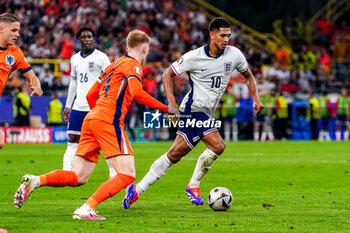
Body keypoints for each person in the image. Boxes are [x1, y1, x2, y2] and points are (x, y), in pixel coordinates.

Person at [14, 30, 178, 220]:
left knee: (78, 176)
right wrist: (167, 108)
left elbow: (91, 94)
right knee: (127, 174)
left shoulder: (113, 65)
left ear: (127, 47)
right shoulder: (133, 65)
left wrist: (97, 116)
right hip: (108, 120)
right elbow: (137, 93)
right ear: (144, 49)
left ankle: (36, 180)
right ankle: (86, 208)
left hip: (92, 118)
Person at [123, 17, 263, 209]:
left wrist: (256, 98)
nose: (226, 39)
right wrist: (171, 103)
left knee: (174, 155)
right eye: (222, 35)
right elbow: (167, 74)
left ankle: (136, 190)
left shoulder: (234, 55)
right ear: (211, 35)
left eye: (228, 35)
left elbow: (248, 75)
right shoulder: (194, 56)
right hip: (193, 110)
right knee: (218, 145)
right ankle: (193, 185)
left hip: (208, 112)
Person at [62, 27, 116, 178]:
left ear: (93, 39)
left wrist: (108, 102)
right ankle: (67, 171)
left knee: (105, 140)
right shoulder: (75, 59)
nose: (87, 39)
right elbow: (74, 82)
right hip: (78, 106)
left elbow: (109, 80)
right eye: (84, 37)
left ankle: (113, 172)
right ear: (79, 39)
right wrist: (68, 105)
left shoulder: (102, 57)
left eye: (90, 37)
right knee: (73, 139)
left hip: (97, 106)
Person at [0, 13, 43, 149]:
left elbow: (32, 77)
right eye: (13, 30)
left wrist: (36, 85)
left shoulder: (15, 53)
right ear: (1, 29)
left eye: (18, 30)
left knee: (0, 142)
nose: (17, 34)